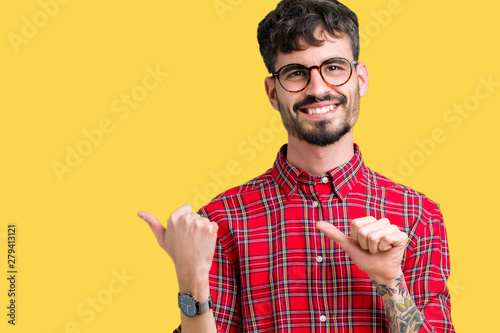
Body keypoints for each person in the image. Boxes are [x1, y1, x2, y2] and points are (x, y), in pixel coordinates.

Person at [138, 0, 454, 332]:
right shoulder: (221, 221)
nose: (318, 89)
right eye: (296, 73)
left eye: (334, 67)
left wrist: (391, 281)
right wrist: (190, 282)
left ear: (360, 79)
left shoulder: (418, 214)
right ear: (273, 93)